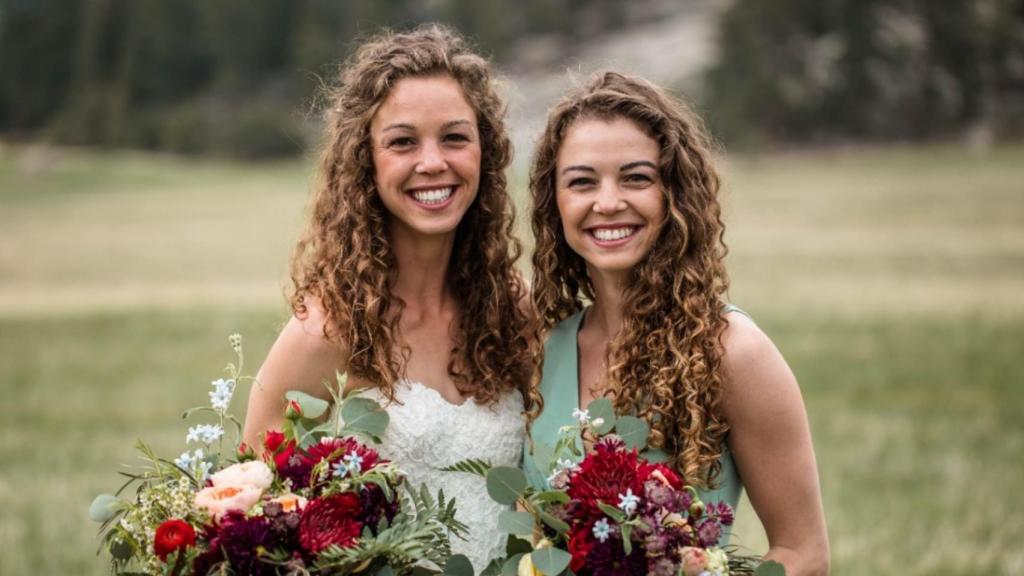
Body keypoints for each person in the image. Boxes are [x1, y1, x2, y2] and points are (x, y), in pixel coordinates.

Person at [241, 24, 537, 571]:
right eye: (403, 142)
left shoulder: (512, 310)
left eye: (454, 137)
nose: (432, 163)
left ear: (485, 152)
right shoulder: (328, 329)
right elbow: (252, 525)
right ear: (365, 161)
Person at [524, 72, 830, 575]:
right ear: (553, 203)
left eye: (636, 177)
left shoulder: (732, 351)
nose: (607, 202)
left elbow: (804, 555)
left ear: (675, 194)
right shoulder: (541, 349)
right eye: (582, 181)